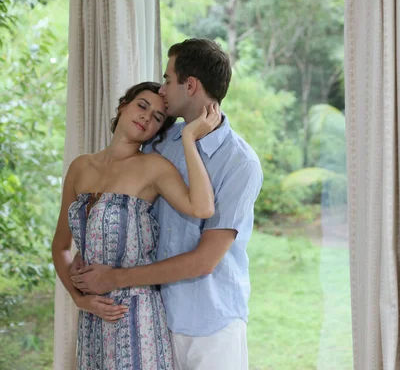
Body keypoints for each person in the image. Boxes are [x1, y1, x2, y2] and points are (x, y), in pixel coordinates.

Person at [71, 38, 264, 370]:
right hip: (154, 319)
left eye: (168, 79)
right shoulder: (160, 144)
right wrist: (87, 253)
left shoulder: (240, 163)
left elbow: (204, 261)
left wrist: (114, 278)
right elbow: (129, 208)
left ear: (189, 85)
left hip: (212, 326)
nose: (162, 89)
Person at [52, 81, 221, 369]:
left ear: (158, 130)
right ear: (123, 106)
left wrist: (189, 139)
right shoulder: (80, 167)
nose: (146, 117)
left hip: (136, 316)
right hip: (93, 317)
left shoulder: (153, 167)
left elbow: (202, 207)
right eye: (142, 106)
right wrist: (79, 298)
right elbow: (60, 247)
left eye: (157, 117)